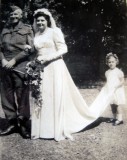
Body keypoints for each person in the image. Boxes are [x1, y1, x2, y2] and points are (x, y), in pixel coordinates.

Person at [28, 8, 98, 141]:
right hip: (41, 68)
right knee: (43, 95)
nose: (40, 22)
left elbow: (63, 48)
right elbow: (38, 51)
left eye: (42, 20)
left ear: (47, 20)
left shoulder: (55, 31)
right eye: (38, 20)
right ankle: (43, 130)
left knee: (55, 95)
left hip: (54, 67)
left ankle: (56, 130)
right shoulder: (36, 34)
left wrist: (47, 58)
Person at [0, 6, 34, 138]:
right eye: (11, 14)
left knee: (22, 96)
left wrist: (14, 60)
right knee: (6, 95)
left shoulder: (27, 29)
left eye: (15, 14)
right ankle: (12, 123)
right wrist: (2, 60)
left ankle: (24, 124)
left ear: (21, 16)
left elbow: (30, 49)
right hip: (4, 68)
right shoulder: (5, 29)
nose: (13, 16)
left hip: (20, 67)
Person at [104, 53, 126, 125]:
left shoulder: (118, 72)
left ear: (116, 61)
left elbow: (122, 81)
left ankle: (120, 119)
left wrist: (117, 86)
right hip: (111, 91)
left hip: (117, 90)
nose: (111, 63)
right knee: (112, 105)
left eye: (113, 62)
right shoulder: (107, 72)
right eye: (109, 62)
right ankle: (114, 118)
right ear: (107, 63)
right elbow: (108, 82)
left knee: (117, 105)